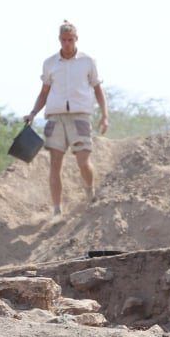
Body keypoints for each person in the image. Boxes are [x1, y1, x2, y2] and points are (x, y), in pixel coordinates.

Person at [24, 20, 110, 215]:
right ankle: (57, 210)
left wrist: (105, 115)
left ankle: (90, 194)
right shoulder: (50, 63)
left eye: (70, 40)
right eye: (63, 40)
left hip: (80, 116)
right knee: (55, 164)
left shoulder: (88, 61)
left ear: (76, 39)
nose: (67, 44)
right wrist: (33, 113)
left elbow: (98, 88)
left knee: (83, 161)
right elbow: (44, 92)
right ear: (59, 40)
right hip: (55, 117)